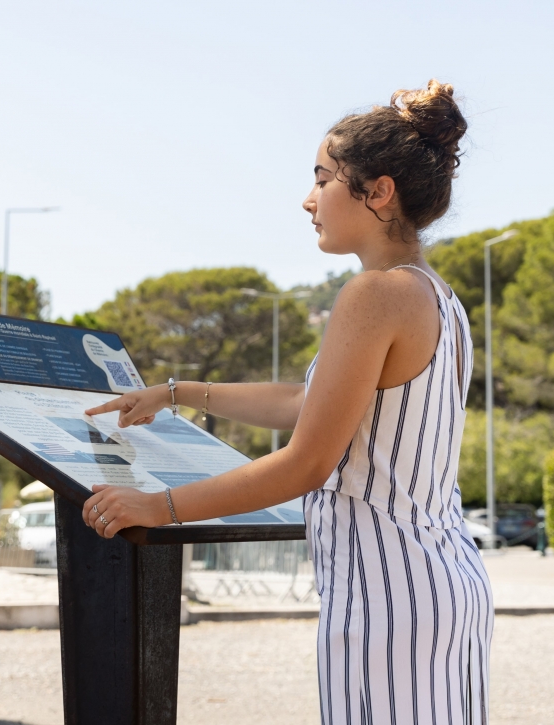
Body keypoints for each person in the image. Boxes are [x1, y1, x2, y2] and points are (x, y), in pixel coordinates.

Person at [80, 79, 492, 724]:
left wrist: (157, 507)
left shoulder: (375, 293)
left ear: (378, 191)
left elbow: (306, 463)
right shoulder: (438, 298)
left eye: (323, 178)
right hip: (440, 581)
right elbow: (309, 401)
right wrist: (178, 393)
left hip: (387, 596)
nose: (308, 200)